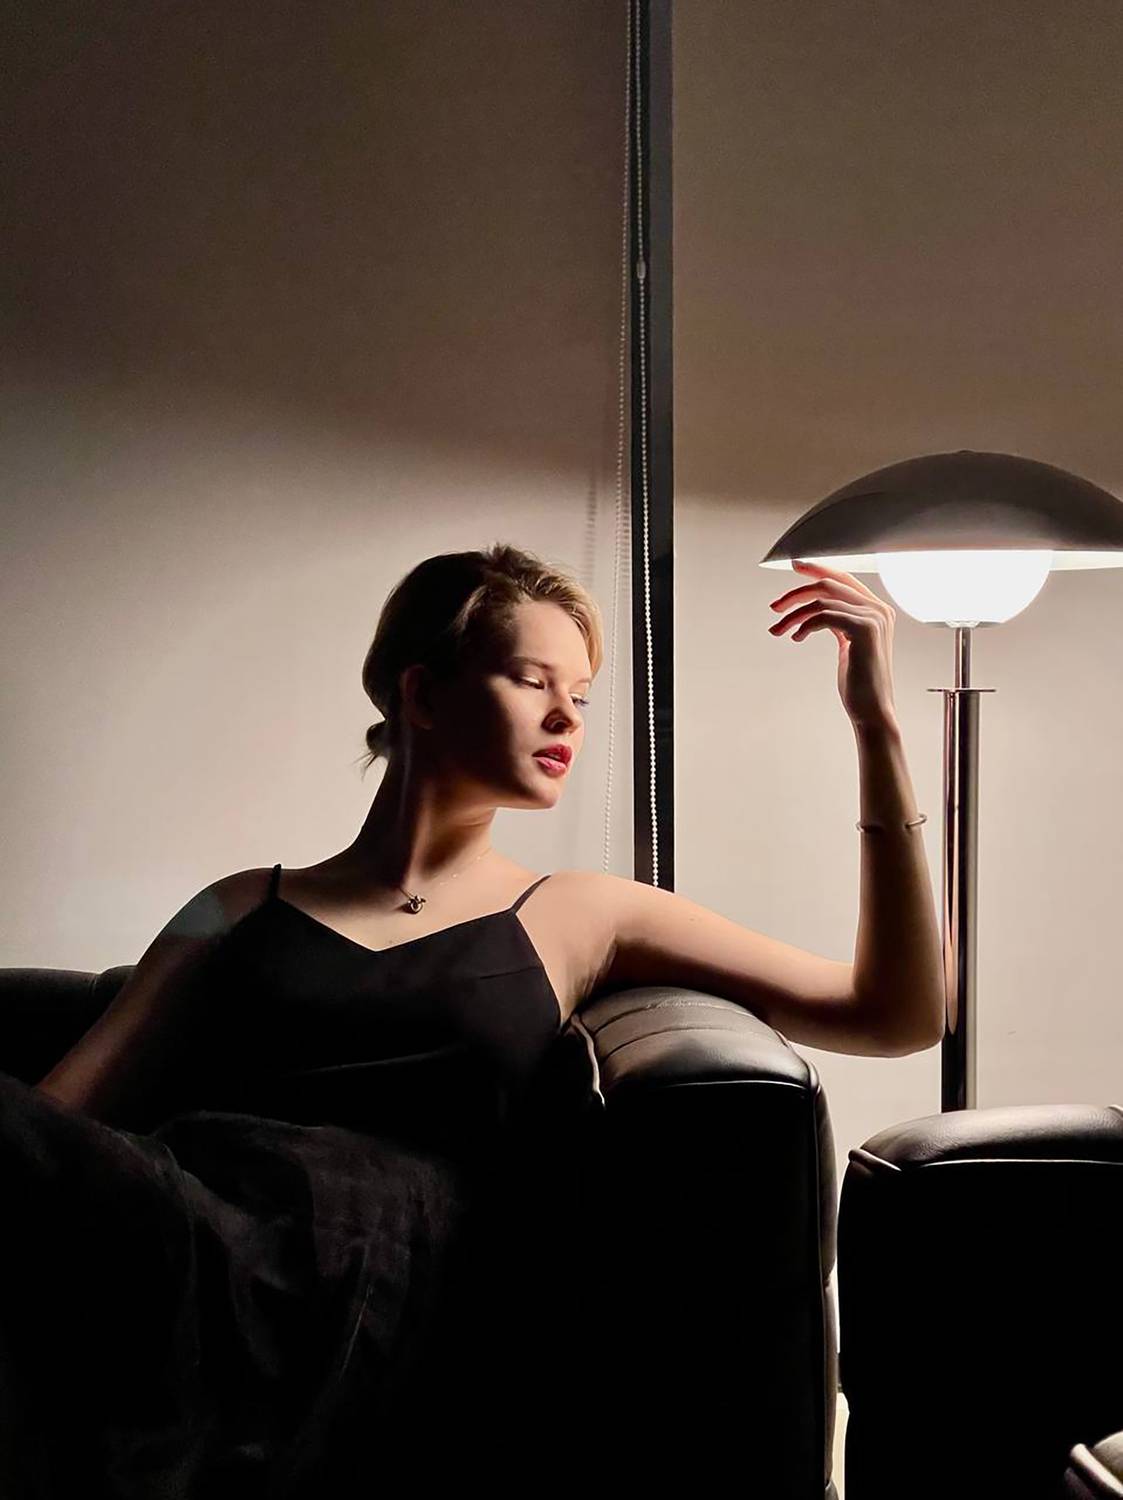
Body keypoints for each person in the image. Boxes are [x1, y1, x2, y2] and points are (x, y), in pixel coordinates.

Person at [7, 543, 608, 1498]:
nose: (567, 715)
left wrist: (862, 723)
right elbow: (61, 1115)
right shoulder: (238, 904)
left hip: (367, 1269)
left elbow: (865, 1009)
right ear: (421, 694)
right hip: (186, 1229)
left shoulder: (575, 912)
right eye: (534, 680)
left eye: (581, 692)